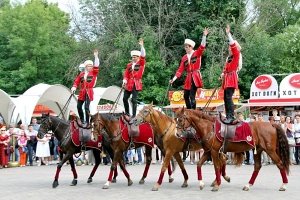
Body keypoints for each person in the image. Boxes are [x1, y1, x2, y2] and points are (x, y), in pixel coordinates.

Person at [169, 28, 209, 109]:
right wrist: (173, 79)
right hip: (188, 78)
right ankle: (189, 110)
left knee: (192, 96)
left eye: (187, 47)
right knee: (185, 96)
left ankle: (193, 111)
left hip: (195, 76)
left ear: (191, 47)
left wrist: (204, 36)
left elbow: (202, 46)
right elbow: (180, 70)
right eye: (185, 47)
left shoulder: (197, 53)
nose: (185, 48)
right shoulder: (184, 58)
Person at [71, 50, 100, 128]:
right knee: (79, 106)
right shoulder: (81, 74)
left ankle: (87, 122)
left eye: (91, 66)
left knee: (86, 107)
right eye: (89, 66)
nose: (90, 67)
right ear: (86, 67)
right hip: (82, 92)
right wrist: (74, 87)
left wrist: (96, 57)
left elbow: (97, 65)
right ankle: (82, 119)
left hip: (89, 91)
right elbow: (76, 81)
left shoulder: (94, 72)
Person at [219, 25, 241, 124]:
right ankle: (228, 115)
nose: (229, 48)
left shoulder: (236, 55)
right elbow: (225, 69)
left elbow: (232, 44)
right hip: (227, 78)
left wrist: (228, 34)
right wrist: (222, 74)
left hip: (232, 78)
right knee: (225, 97)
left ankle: (231, 116)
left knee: (228, 97)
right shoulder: (229, 58)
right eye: (229, 47)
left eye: (230, 47)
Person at [122, 39, 146, 118]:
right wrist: (124, 81)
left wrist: (142, 46)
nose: (134, 58)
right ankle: (127, 113)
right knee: (125, 98)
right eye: (133, 57)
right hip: (128, 84)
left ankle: (134, 115)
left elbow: (143, 55)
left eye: (135, 57)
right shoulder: (129, 65)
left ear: (138, 57)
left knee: (133, 100)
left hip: (136, 84)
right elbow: (126, 74)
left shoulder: (141, 63)